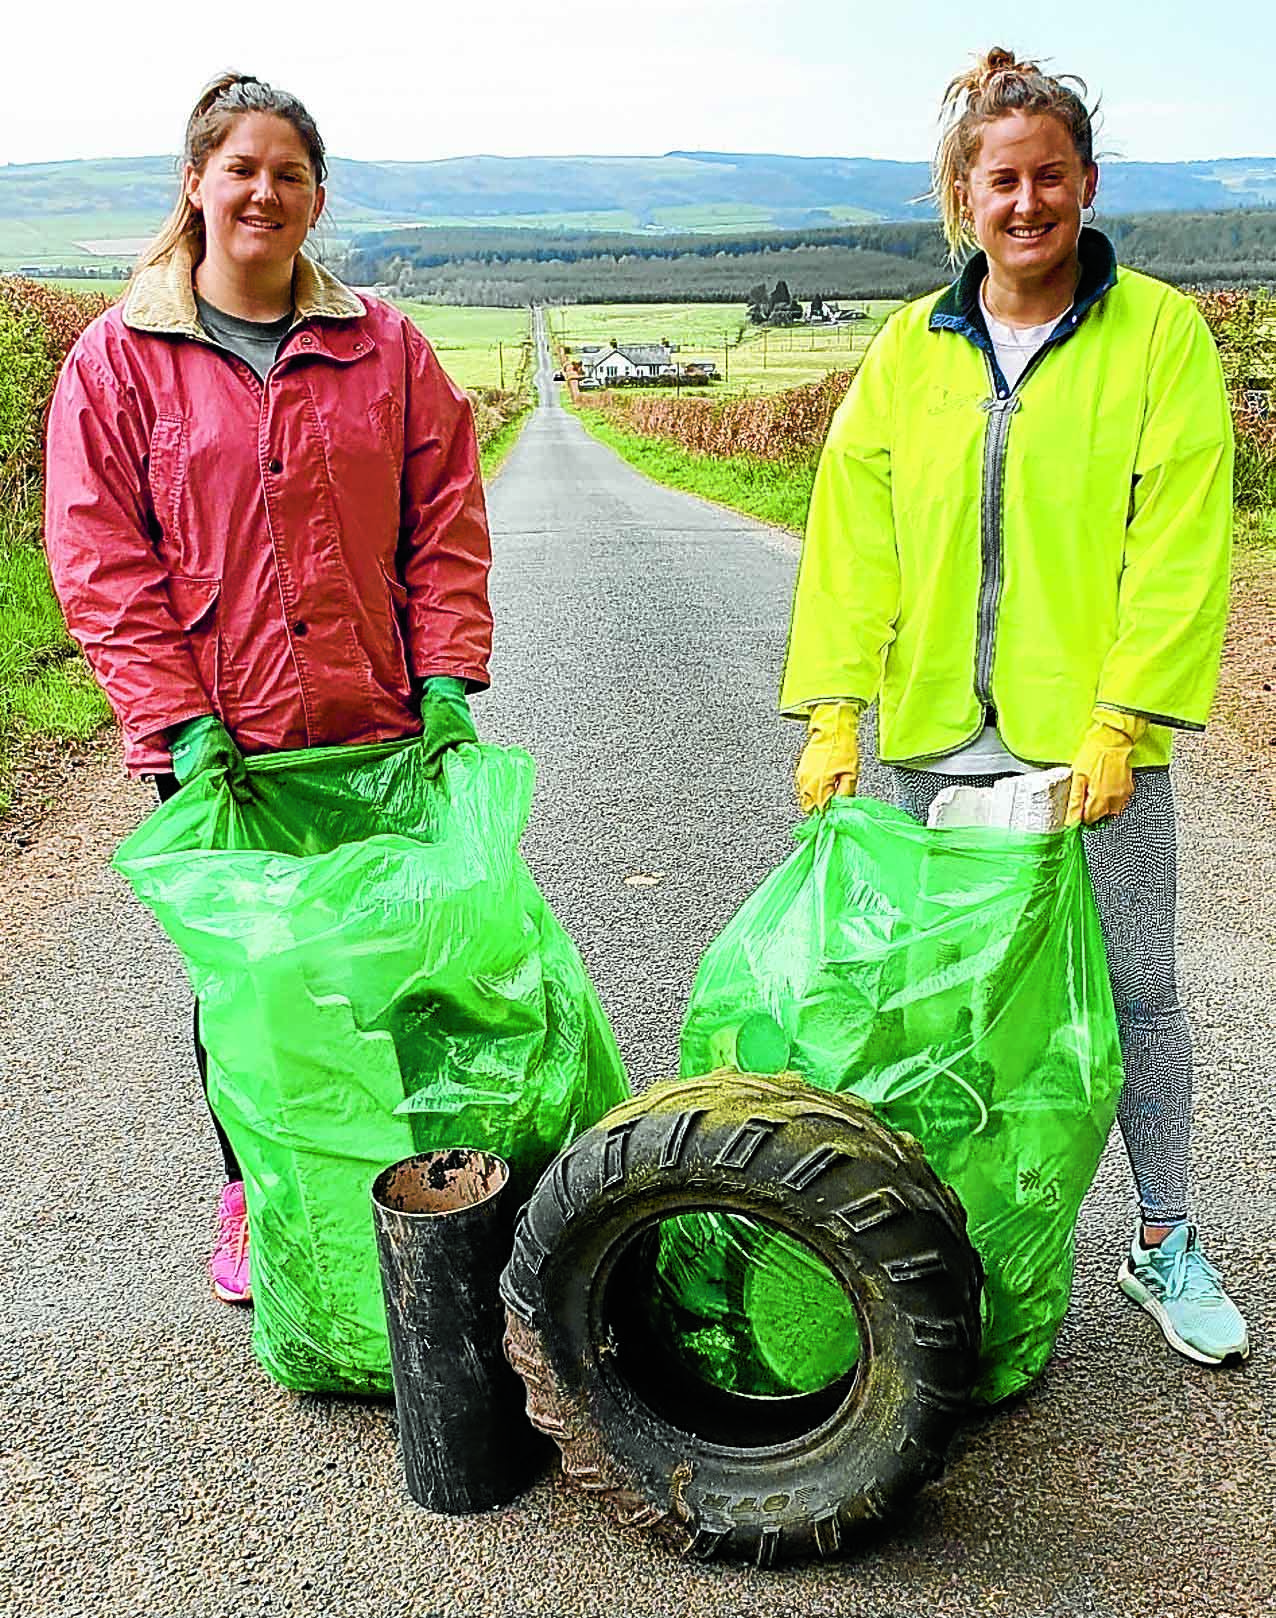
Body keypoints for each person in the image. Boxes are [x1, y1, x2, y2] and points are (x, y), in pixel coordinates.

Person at [781, 47, 1248, 1367]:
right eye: (1002, 179)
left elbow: (1179, 540)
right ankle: (966, 1248)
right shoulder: (909, 349)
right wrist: (835, 709)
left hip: (1089, 741)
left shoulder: (1156, 333)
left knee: (1136, 990)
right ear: (962, 198)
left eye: (1051, 175)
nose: (1028, 200)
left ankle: (1165, 1243)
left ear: (1087, 184)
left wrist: (1125, 715)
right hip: (939, 729)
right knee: (956, 1006)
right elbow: (852, 535)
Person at [45, 72, 492, 1307]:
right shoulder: (118, 360)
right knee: (252, 978)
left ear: (316, 198)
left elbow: (443, 521)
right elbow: (100, 558)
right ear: (195, 183)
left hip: (374, 729)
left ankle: (413, 1189)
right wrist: (176, 719)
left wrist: (448, 672)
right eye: (240, 169)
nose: (263, 192)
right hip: (222, 743)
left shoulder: (385, 347)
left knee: (399, 960)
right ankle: (255, 1188)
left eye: (288, 174)